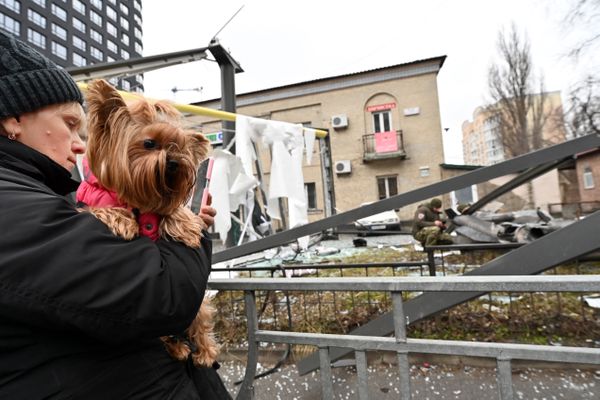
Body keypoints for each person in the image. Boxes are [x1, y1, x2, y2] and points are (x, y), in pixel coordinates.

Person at [0, 31, 226, 399]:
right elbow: (162, 293)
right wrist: (190, 225)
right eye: (70, 124)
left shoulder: (47, 193)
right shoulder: (14, 203)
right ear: (13, 119)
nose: (80, 143)